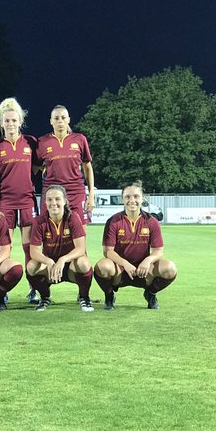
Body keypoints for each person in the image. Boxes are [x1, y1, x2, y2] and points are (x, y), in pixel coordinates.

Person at [0, 97, 39, 304]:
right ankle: (5, 288)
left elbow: (40, 165)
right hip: (5, 201)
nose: (10, 124)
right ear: (1, 123)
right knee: (5, 246)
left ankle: (33, 289)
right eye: (7, 121)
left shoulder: (30, 142)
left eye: (14, 120)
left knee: (29, 247)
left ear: (20, 121)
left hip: (27, 200)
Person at [93, 181, 177, 310]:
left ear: (142, 198)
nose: (132, 200)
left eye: (136, 196)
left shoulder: (151, 221)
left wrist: (147, 261)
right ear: (122, 199)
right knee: (102, 267)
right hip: (120, 270)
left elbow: (158, 250)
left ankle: (151, 293)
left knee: (170, 268)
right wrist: (125, 264)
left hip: (143, 270)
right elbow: (108, 252)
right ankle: (109, 295)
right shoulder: (113, 221)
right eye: (127, 197)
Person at [26, 185, 94, 311]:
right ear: (45, 202)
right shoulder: (39, 221)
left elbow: (80, 248)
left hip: (70, 266)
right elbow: (33, 252)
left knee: (84, 262)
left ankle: (84, 297)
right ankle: (45, 297)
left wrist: (63, 259)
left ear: (64, 201)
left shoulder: (73, 218)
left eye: (57, 199)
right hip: (50, 267)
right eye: (50, 199)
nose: (53, 203)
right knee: (31, 266)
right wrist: (49, 261)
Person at [36, 105, 95, 225]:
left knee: (79, 236)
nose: (60, 121)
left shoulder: (79, 139)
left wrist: (91, 196)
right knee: (50, 234)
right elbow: (34, 168)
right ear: (51, 121)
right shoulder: (42, 142)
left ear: (68, 119)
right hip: (51, 193)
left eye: (63, 117)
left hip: (76, 193)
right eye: (56, 118)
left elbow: (87, 168)